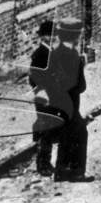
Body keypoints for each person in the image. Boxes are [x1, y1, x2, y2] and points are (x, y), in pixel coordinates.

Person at [48, 18, 90, 181]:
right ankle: (75, 172)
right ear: (74, 37)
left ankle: (61, 171)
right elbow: (81, 87)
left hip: (57, 104)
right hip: (70, 105)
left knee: (67, 136)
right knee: (80, 133)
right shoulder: (74, 55)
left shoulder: (54, 54)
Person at [28, 20, 57, 176]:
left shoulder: (51, 52)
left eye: (51, 35)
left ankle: (47, 162)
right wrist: (41, 92)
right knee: (45, 132)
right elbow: (33, 77)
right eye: (47, 35)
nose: (49, 38)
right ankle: (42, 164)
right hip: (44, 99)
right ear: (43, 38)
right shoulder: (40, 54)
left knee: (50, 130)